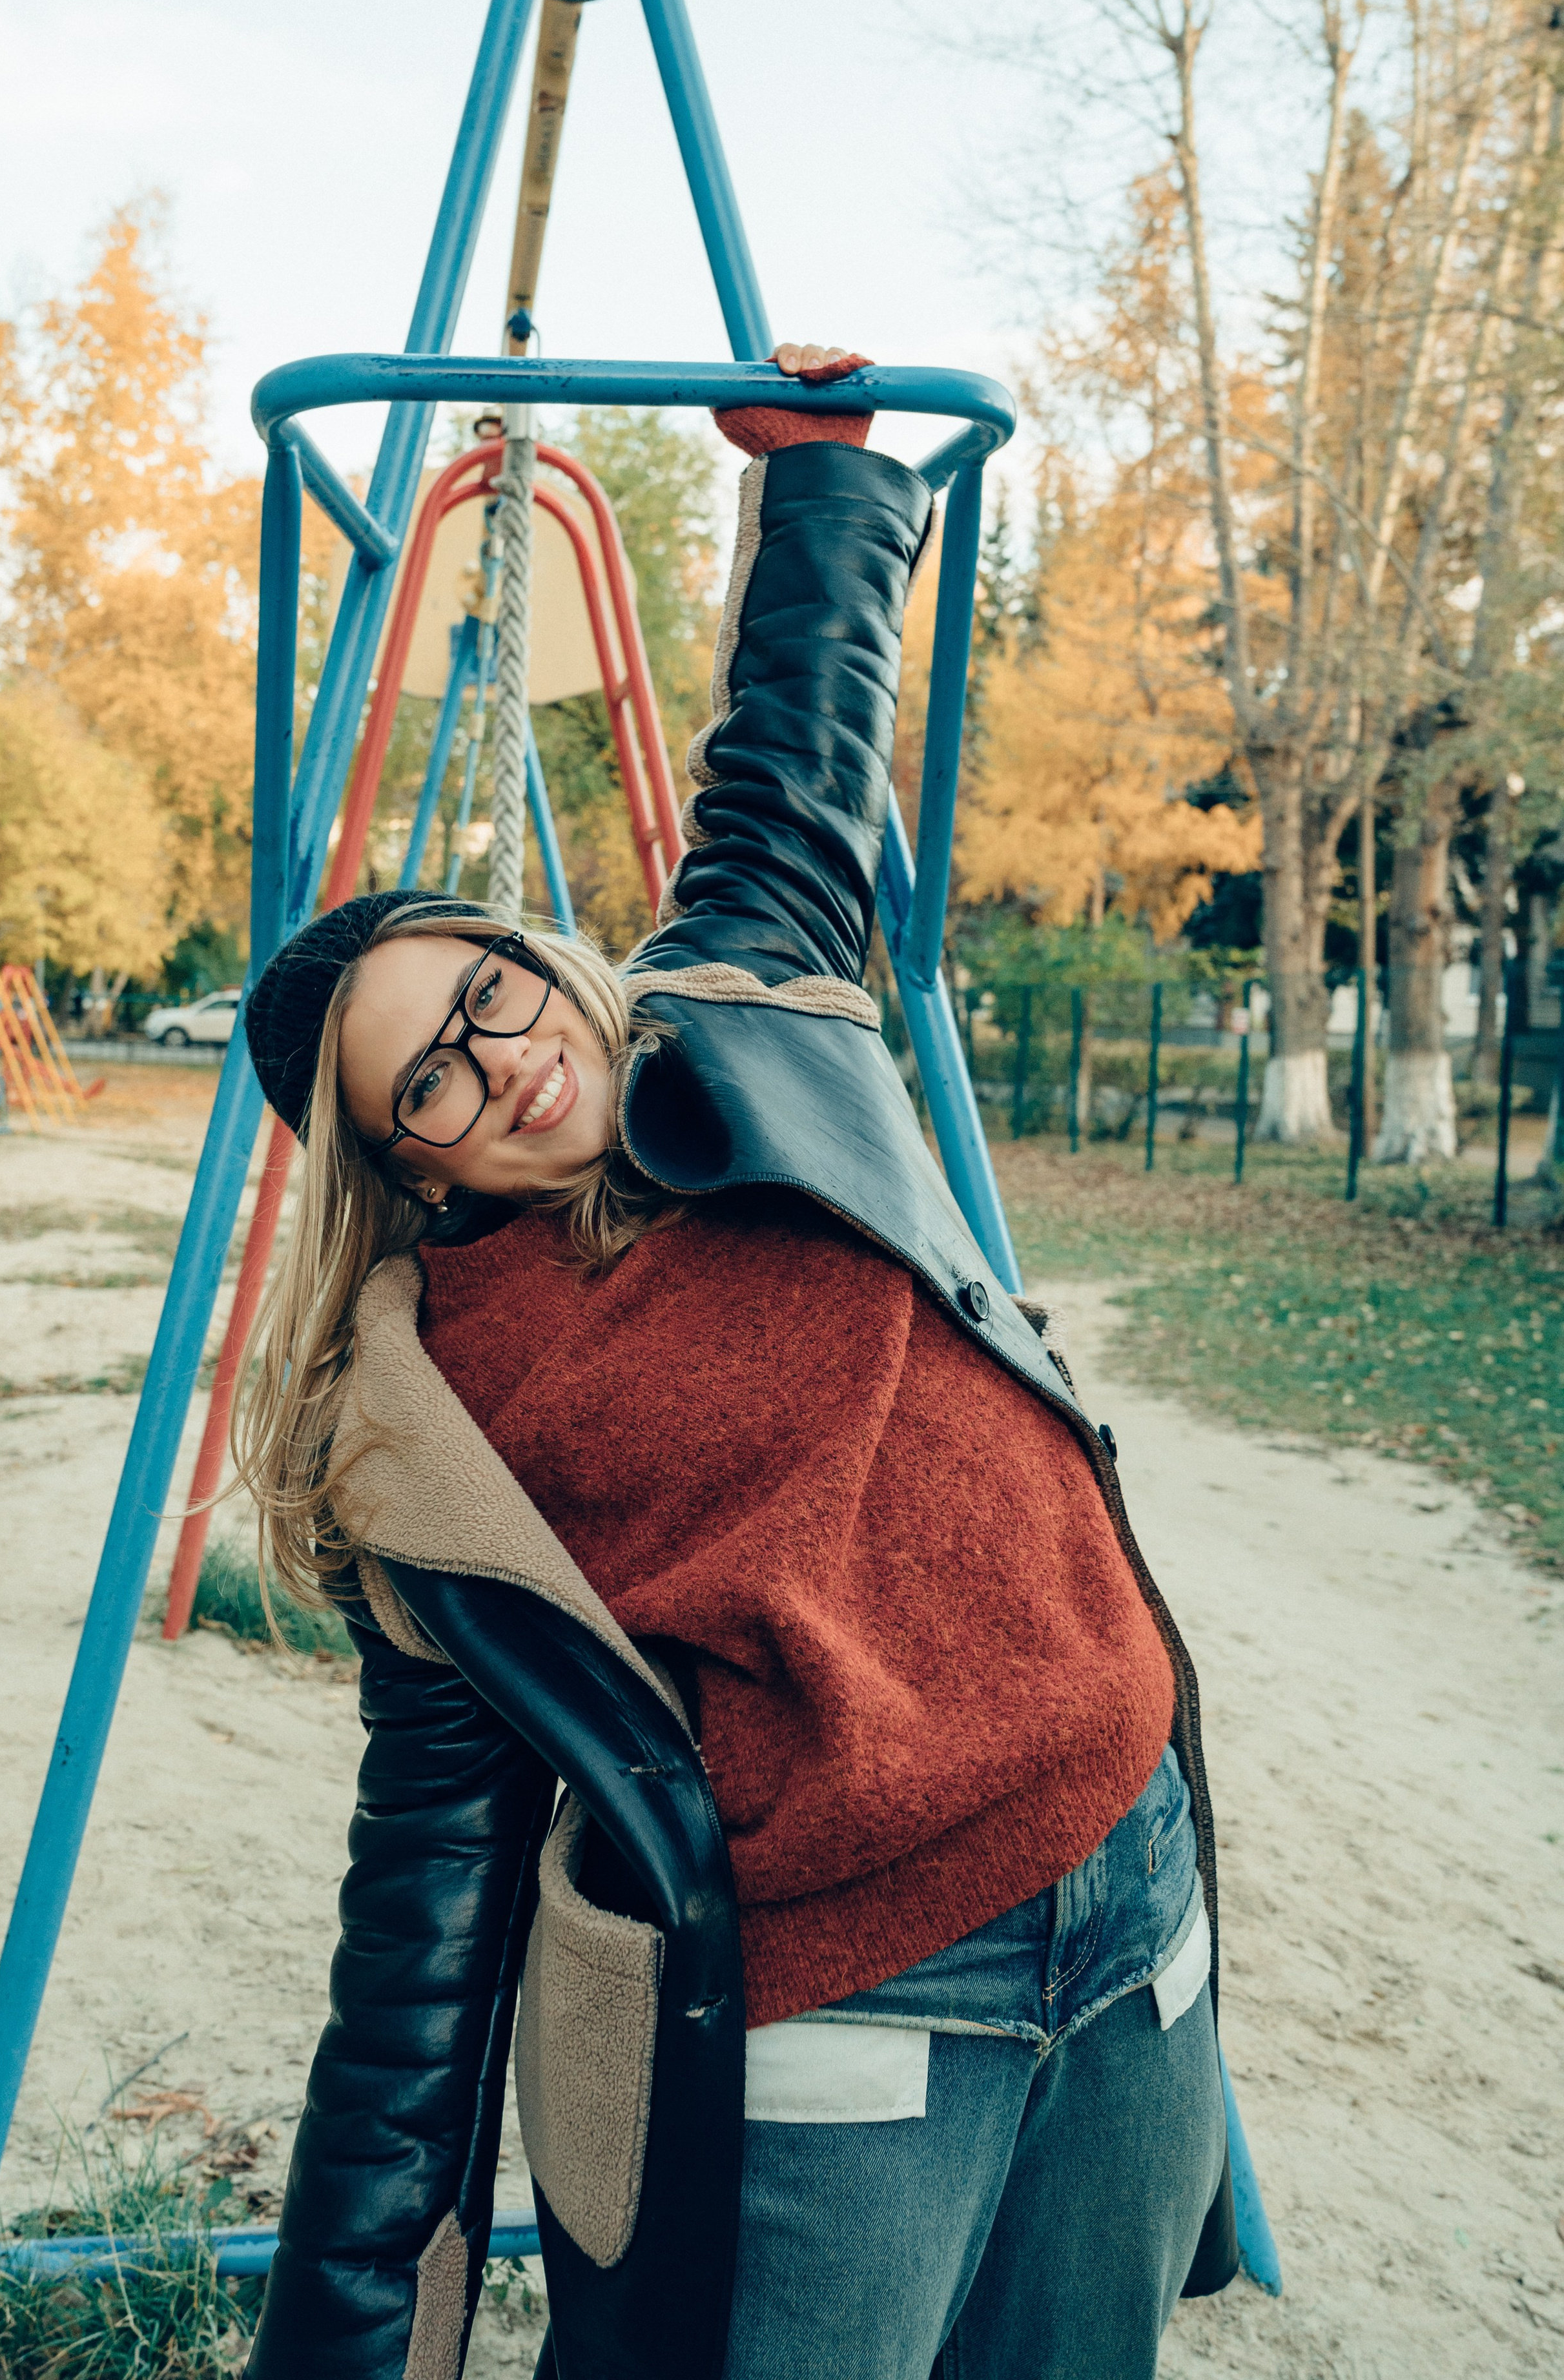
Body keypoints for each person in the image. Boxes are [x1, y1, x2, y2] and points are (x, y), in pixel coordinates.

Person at [234, 346, 1236, 2380]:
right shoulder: (432, 1428)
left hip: (1138, 1893)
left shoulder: (747, 1019)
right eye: (431, 1076)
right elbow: (419, 1941)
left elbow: (796, 746)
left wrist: (826, 480)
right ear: (405, 1167)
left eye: (492, 988)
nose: (504, 1057)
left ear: (547, 960)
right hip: (858, 2004)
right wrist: (348, 2336)